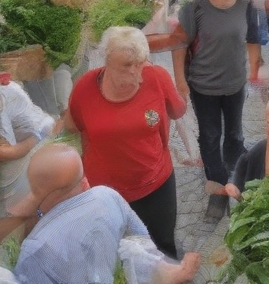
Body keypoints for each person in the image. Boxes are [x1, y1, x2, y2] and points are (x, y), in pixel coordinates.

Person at [155, 0, 261, 221]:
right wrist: (180, 79)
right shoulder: (194, 3)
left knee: (235, 135)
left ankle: (235, 179)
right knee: (211, 136)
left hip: (235, 82)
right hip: (204, 85)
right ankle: (216, 188)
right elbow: (180, 43)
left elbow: (251, 36)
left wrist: (254, 66)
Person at [64, 27, 185, 258]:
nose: (135, 72)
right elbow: (72, 127)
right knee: (116, 251)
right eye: (126, 65)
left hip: (156, 183)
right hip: (106, 193)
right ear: (106, 60)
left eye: (140, 63)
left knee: (163, 246)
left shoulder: (157, 77)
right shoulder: (85, 88)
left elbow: (178, 110)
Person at [9, 144, 200, 284]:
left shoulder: (35, 249)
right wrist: (162, 270)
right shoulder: (107, 195)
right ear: (83, 181)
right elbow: (141, 239)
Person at [0, 74, 54, 216]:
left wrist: (35, 137)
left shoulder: (2, 98)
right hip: (31, 138)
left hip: (29, 147)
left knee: (12, 213)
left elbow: (5, 152)